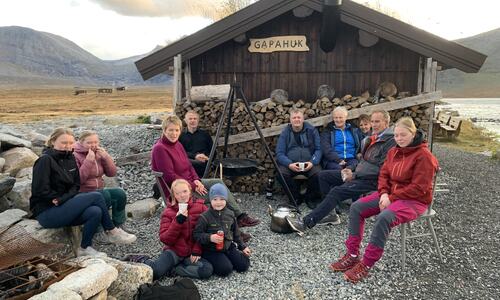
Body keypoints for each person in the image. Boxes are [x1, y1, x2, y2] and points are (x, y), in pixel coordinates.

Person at [329, 117, 439, 283]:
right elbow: (384, 175)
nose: (399, 138)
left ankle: (366, 264)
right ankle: (352, 254)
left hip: (415, 200)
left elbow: (419, 188)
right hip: (391, 195)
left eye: (403, 135)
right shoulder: (393, 151)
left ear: (413, 133)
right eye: (396, 135)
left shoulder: (424, 156)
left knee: (384, 217)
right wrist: (384, 194)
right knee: (356, 207)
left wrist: (391, 197)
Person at [30, 128, 136, 258]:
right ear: (53, 141)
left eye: (70, 143)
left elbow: (75, 185)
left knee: (95, 211)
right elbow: (40, 191)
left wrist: (64, 199)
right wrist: (61, 199)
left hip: (63, 204)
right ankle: (112, 231)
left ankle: (85, 247)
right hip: (47, 212)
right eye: (64, 142)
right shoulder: (45, 160)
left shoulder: (69, 158)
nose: (68, 146)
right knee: (97, 196)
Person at [151, 115, 259, 241]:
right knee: (214, 198)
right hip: (177, 190)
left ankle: (240, 216)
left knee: (218, 183)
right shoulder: (160, 149)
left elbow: (188, 165)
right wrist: (193, 185)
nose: (174, 133)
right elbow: (170, 177)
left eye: (177, 130)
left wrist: (196, 179)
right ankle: (233, 232)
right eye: (170, 130)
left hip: (191, 182)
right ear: (164, 130)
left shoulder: (177, 144)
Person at [286, 109, 397, 231]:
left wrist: (354, 175)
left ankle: (306, 223)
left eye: (377, 122)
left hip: (372, 181)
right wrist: (351, 170)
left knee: (337, 192)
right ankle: (331, 214)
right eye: (372, 121)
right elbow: (363, 161)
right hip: (359, 173)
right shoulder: (372, 138)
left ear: (386, 122)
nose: (374, 124)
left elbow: (383, 170)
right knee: (323, 175)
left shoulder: (390, 141)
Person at [122, 179, 213, 280]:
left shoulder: (201, 207)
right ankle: (142, 259)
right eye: (178, 193)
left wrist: (197, 249)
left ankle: (174, 270)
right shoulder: (168, 212)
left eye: (185, 191)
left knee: (206, 270)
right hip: (175, 251)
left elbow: (206, 231)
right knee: (156, 273)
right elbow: (165, 239)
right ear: (174, 195)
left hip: (191, 253)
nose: (182, 195)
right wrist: (177, 222)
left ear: (190, 191)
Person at [73, 130, 135, 239]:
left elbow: (112, 173)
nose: (93, 145)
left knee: (119, 194)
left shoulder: (98, 153)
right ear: (81, 142)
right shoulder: (75, 155)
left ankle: (118, 224)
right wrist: (88, 160)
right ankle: (98, 230)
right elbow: (79, 179)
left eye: (96, 142)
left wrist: (106, 157)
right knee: (104, 195)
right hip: (82, 192)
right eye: (89, 143)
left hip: (99, 190)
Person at [193, 184, 251, 277]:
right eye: (215, 199)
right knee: (225, 270)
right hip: (211, 250)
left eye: (222, 199)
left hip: (228, 246)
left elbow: (236, 233)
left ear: (226, 200)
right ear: (210, 200)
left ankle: (229, 258)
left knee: (243, 266)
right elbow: (196, 235)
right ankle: (214, 260)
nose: (218, 202)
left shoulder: (230, 214)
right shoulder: (204, 217)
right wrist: (210, 237)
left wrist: (242, 246)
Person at [275, 108, 322, 207]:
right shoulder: (285, 132)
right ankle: (295, 197)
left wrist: (312, 162)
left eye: (299, 117)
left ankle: (310, 198)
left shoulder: (312, 131)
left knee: (319, 174)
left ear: (303, 118)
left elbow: (318, 150)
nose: (297, 120)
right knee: (281, 174)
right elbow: (279, 153)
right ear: (290, 120)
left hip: (309, 163)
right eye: (294, 117)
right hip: (291, 163)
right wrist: (289, 164)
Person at [179, 110, 214, 178]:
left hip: (203, 163)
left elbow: (213, 150)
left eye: (195, 119)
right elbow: (179, 152)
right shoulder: (181, 135)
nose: (193, 121)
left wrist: (207, 158)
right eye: (190, 119)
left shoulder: (205, 134)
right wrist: (195, 156)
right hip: (187, 164)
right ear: (185, 121)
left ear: (198, 120)